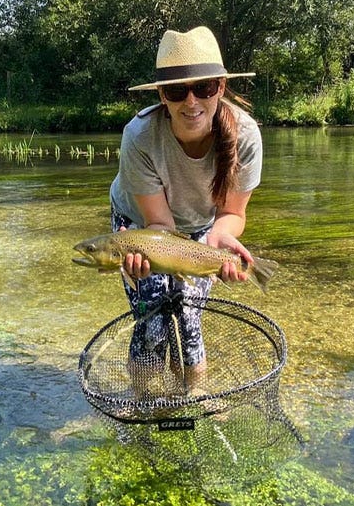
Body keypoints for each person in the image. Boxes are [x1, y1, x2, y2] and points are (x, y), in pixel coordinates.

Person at [109, 26, 263, 398]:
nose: (191, 102)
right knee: (154, 319)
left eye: (204, 88)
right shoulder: (139, 136)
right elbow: (159, 224)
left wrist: (221, 239)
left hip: (201, 228)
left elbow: (232, 215)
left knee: (190, 317)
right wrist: (144, 255)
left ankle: (191, 398)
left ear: (221, 87)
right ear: (162, 95)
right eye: (177, 91)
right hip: (140, 227)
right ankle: (145, 401)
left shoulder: (245, 136)